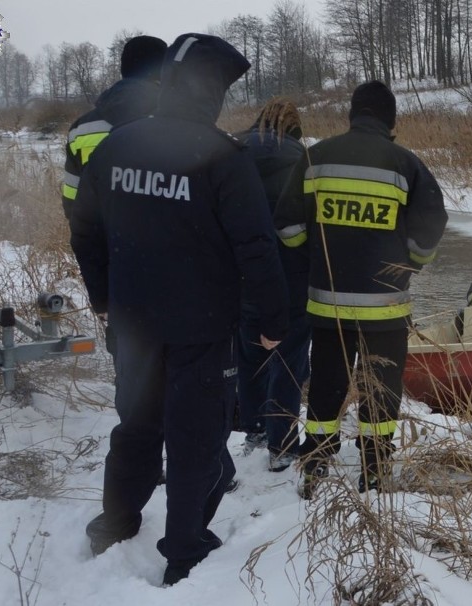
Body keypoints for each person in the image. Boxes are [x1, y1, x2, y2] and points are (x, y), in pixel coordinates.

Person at [69, 33, 289, 586]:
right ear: (211, 91)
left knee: (137, 425)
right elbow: (256, 248)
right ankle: (185, 550)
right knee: (195, 438)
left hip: (134, 326)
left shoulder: (116, 146)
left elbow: (85, 232)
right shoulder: (220, 156)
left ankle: (115, 524)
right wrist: (270, 322)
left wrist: (102, 297)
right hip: (201, 329)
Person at [274, 80, 448, 499]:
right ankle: (374, 465)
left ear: (352, 115)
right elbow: (432, 223)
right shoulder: (406, 163)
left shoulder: (316, 158)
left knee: (328, 381)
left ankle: (315, 460)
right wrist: (412, 264)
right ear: (391, 121)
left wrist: (314, 256)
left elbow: (287, 224)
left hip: (327, 305)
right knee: (380, 385)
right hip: (384, 309)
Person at [61, 35, 167, 359]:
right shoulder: (177, 124)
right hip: (173, 260)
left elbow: (72, 203)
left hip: (113, 263)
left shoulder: (82, 129)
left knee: (131, 367)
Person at [232, 98, 310, 472]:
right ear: (294, 128)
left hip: (242, 274)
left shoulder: (231, 151)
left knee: (249, 354)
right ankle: (282, 445)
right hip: (291, 274)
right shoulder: (303, 159)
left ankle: (254, 430)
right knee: (289, 359)